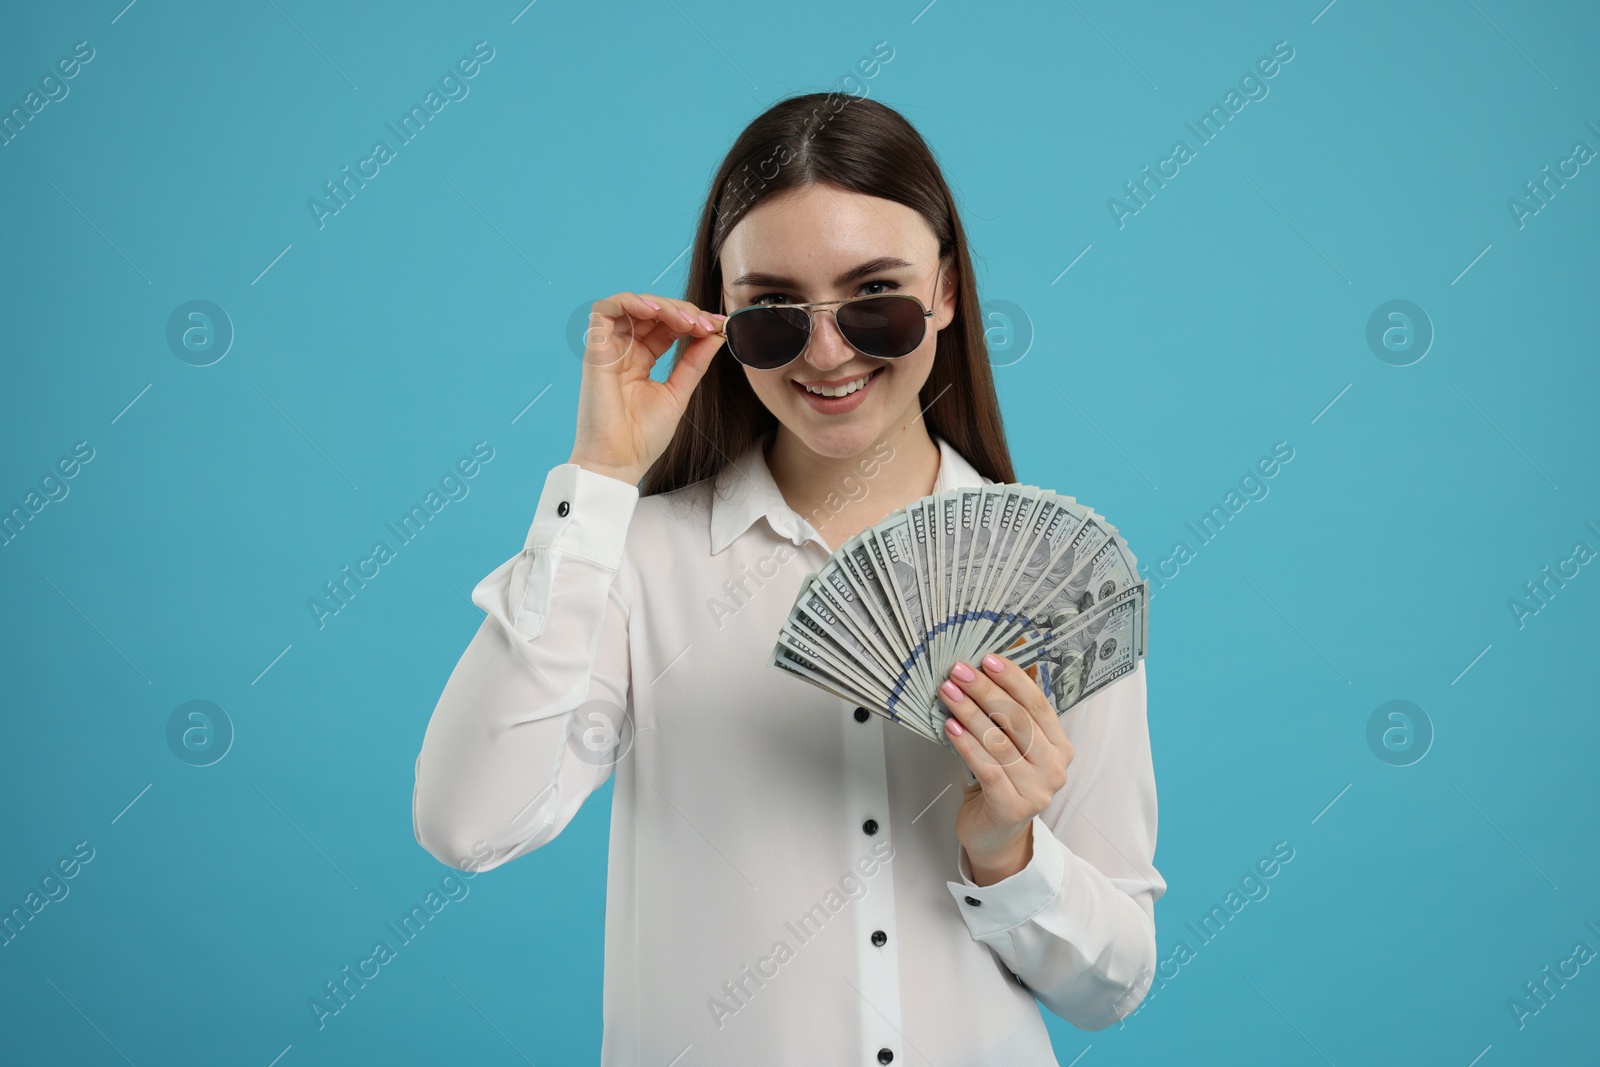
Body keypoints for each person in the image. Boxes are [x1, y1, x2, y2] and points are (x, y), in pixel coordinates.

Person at [412, 91, 1165, 1066]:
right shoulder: (637, 562)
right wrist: (597, 478)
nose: (825, 351)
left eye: (875, 300)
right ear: (721, 318)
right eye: (771, 313)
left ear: (945, 290)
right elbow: (465, 823)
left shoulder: (1056, 586)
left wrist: (1007, 850)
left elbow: (1113, 986)